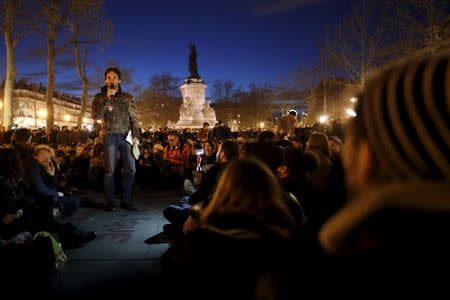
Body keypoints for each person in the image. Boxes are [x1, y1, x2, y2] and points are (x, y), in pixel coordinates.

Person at [91, 67, 140, 211]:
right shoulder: (98, 98)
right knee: (110, 170)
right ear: (105, 81)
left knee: (131, 170)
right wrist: (107, 98)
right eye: (108, 77)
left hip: (126, 136)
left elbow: (134, 119)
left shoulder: (128, 98)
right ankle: (110, 201)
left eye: (114, 77)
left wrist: (136, 137)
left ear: (119, 80)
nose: (111, 80)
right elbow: (96, 117)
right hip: (109, 136)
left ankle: (126, 200)